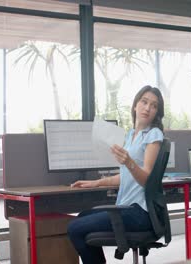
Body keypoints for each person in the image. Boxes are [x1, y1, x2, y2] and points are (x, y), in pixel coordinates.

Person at [67, 85, 165, 264]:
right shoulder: (130, 135)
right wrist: (95, 183)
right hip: (126, 208)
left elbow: (148, 180)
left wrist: (128, 161)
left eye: (154, 105)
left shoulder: (153, 135)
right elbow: (127, 176)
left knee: (74, 228)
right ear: (135, 105)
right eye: (144, 102)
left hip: (140, 212)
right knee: (82, 217)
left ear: (157, 112)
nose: (147, 108)